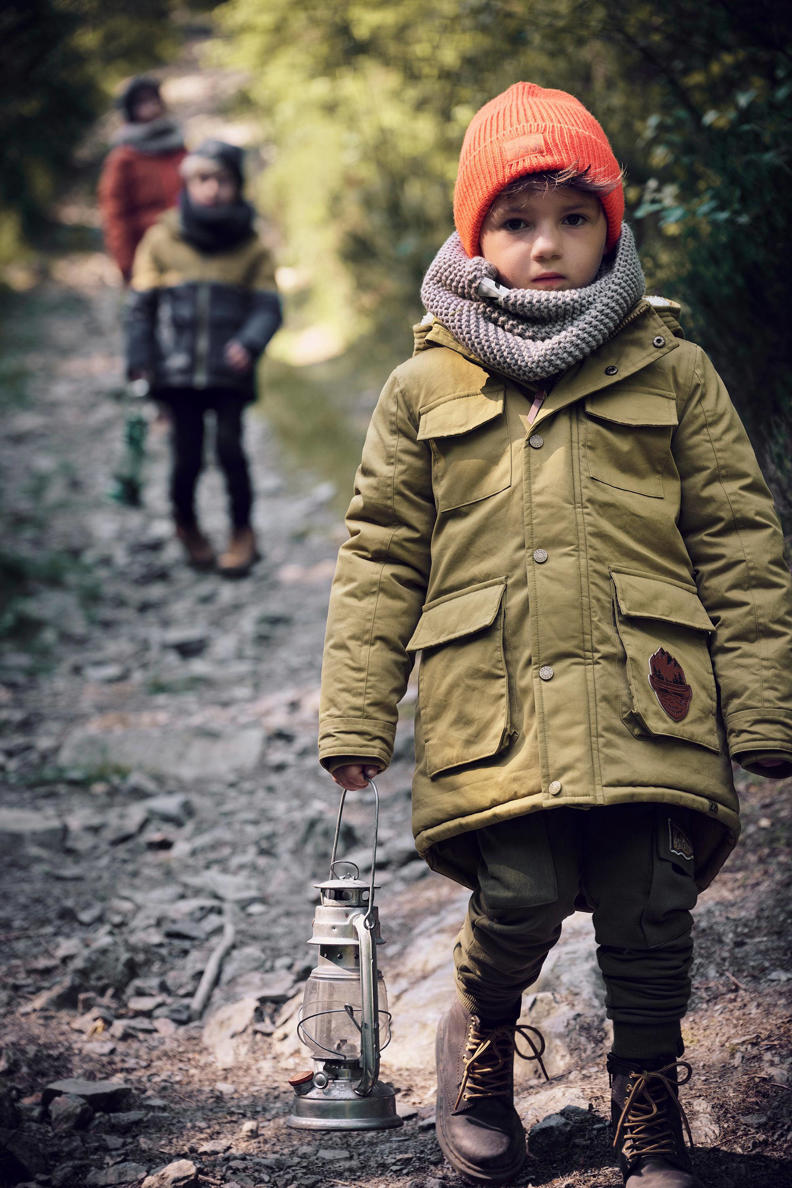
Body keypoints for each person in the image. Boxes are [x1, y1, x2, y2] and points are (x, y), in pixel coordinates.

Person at [317, 83, 792, 1187]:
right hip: (498, 699)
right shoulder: (424, 382)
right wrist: (357, 713)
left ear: (611, 226)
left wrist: (767, 703)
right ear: (474, 232)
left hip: (651, 688)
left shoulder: (669, 365)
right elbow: (381, 553)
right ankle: (477, 1039)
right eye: (517, 220)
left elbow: (735, 534)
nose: (547, 246)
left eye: (574, 218)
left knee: (650, 901)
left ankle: (648, 1094)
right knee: (519, 892)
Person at [124, 139, 282, 575]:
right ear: (188, 183)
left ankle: (242, 532)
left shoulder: (252, 246)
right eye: (202, 179)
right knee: (186, 457)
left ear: (237, 185)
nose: (212, 188)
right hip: (175, 372)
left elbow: (269, 306)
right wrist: (140, 359)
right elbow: (141, 307)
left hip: (229, 372)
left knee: (231, 451)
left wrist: (248, 342)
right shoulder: (161, 238)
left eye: (223, 180)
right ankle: (187, 526)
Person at [99, 76, 187, 284]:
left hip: (185, 247)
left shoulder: (178, 148)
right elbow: (115, 214)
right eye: (142, 102)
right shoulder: (123, 159)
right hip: (146, 251)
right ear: (131, 110)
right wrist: (126, 263)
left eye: (154, 100)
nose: (151, 107)